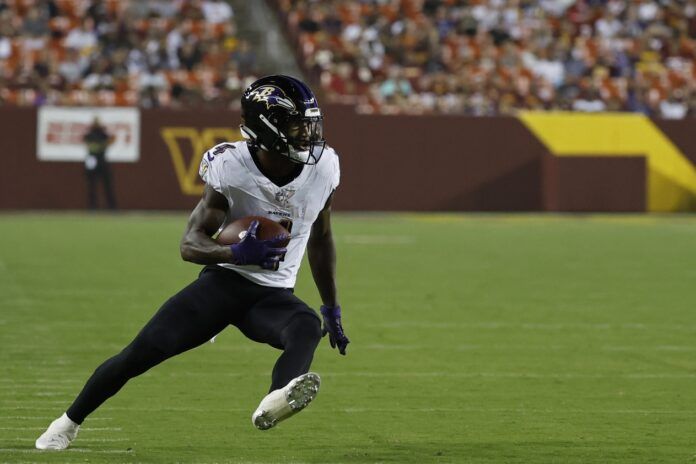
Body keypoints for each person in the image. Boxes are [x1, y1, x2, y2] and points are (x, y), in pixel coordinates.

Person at [35, 75, 350, 450]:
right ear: (267, 127)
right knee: (140, 354)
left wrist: (331, 305)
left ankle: (276, 399)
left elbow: (322, 238)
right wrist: (236, 253)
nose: (308, 135)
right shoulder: (231, 166)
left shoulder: (325, 167)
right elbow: (190, 244)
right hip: (223, 284)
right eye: (297, 125)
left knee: (305, 325)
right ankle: (68, 422)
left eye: (311, 124)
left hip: (273, 294)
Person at [83, 117, 117, 210]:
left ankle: (111, 206)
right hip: (93, 160)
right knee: (92, 185)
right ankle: (92, 206)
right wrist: (103, 145)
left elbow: (111, 140)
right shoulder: (90, 135)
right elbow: (92, 147)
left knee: (107, 185)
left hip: (102, 161)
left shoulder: (103, 134)